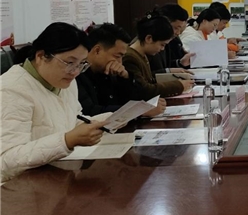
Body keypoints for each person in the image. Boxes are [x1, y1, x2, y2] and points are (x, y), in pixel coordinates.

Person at [1, 23, 107, 182]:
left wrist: (105, 121)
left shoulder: (64, 81)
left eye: (81, 64)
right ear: (41, 56)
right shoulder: (11, 90)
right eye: (69, 63)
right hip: (18, 187)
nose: (75, 72)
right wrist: (67, 141)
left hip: (55, 177)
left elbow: (72, 118)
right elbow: (7, 160)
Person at [77, 23, 166, 117]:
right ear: (97, 50)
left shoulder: (110, 72)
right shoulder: (77, 74)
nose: (120, 62)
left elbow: (131, 100)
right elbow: (90, 111)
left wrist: (125, 77)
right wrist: (138, 110)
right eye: (117, 56)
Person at [123, 13, 194, 98]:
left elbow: (150, 80)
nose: (162, 49)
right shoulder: (130, 58)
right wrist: (178, 85)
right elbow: (144, 89)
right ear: (149, 39)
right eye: (162, 45)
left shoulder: (142, 55)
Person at [149, 4, 194, 73]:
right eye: (176, 28)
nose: (178, 33)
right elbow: (147, 75)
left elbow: (167, 65)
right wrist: (168, 71)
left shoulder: (168, 41)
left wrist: (180, 63)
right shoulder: (150, 42)